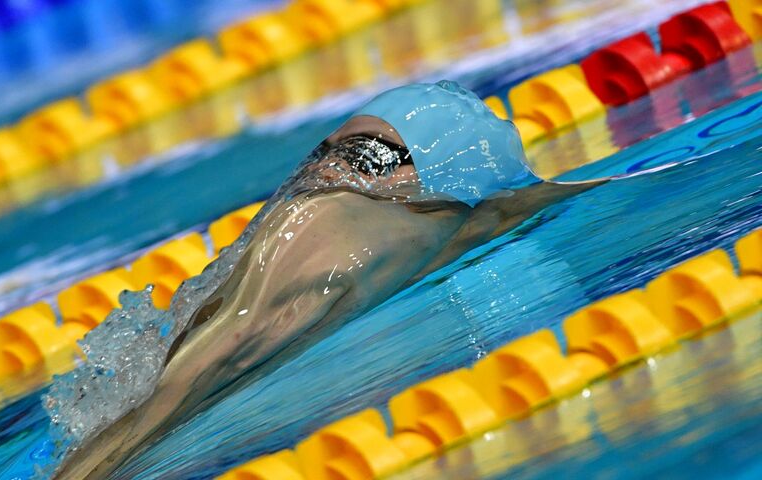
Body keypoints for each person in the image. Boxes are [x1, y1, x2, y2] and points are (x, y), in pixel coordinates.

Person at [49, 81, 602, 479]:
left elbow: (202, 369)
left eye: (368, 154)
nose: (330, 168)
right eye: (329, 150)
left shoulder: (332, 222)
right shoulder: (382, 230)